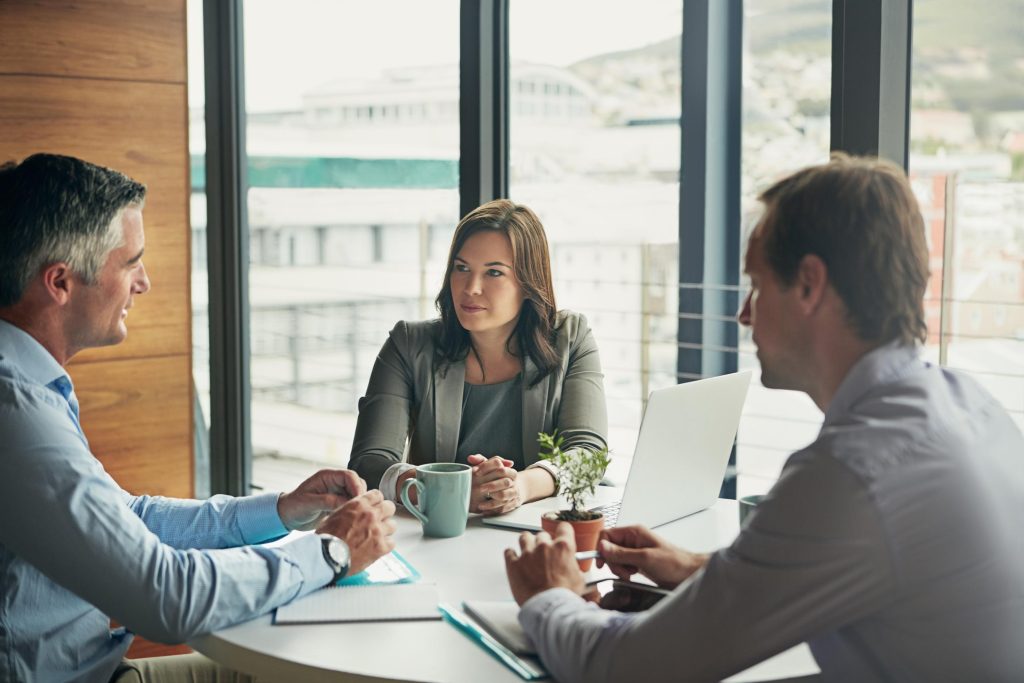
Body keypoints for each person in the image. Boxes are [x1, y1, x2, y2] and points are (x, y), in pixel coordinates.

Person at [503, 155, 1024, 682]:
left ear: (808, 285)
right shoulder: (972, 405)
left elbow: (624, 668)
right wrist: (701, 572)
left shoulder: (851, 473)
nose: (743, 313)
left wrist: (551, 595)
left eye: (756, 284)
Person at [0, 153, 397, 683]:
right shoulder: (17, 414)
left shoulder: (28, 384)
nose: (144, 282)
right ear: (60, 282)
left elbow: (130, 519)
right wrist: (331, 551)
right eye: (130, 262)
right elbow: (167, 598)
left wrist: (280, 510)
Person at [349, 199, 608, 515]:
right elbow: (368, 464)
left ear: (528, 283)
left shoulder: (570, 337)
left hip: (537, 534)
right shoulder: (408, 344)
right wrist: (449, 490)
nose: (470, 288)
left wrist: (520, 486)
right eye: (461, 268)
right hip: (438, 536)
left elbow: (589, 454)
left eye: (494, 273)